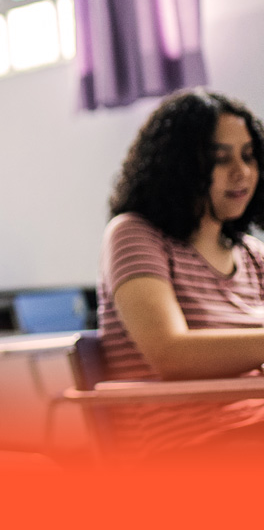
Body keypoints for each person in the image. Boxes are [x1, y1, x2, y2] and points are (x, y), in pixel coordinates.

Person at [98, 89, 264, 461]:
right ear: (180, 167)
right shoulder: (134, 234)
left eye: (249, 156)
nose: (242, 172)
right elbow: (171, 353)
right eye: (220, 159)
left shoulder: (253, 255)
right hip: (187, 447)